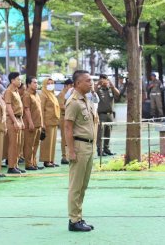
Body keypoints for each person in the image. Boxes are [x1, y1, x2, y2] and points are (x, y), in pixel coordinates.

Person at [64, 70, 98, 232]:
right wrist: (70, 151)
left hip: (89, 147)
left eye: (91, 80)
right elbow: (68, 128)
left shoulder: (87, 100)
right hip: (78, 146)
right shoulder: (74, 102)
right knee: (76, 185)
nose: (90, 83)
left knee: (83, 185)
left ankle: (78, 217)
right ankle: (73, 220)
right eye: (87, 81)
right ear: (77, 84)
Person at [4, 72, 25, 174]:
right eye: (18, 79)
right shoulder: (9, 91)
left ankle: (15, 164)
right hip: (12, 120)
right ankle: (11, 166)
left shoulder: (16, 91)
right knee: (13, 144)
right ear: (12, 80)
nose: (20, 81)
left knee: (18, 144)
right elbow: (9, 108)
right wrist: (15, 121)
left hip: (18, 119)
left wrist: (20, 120)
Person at [22, 77, 44, 171]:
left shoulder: (37, 95)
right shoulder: (27, 95)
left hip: (38, 123)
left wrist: (42, 123)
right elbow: (26, 109)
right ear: (28, 84)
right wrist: (30, 122)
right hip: (31, 124)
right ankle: (28, 164)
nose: (36, 84)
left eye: (37, 83)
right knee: (29, 144)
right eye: (34, 83)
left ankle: (34, 162)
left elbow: (39, 110)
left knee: (35, 144)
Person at [95, 74, 119, 156]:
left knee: (108, 132)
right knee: (100, 133)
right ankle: (99, 149)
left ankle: (106, 148)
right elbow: (92, 93)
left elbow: (118, 94)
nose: (104, 81)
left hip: (110, 114)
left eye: (105, 79)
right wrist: (98, 84)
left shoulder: (110, 89)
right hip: (102, 114)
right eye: (102, 79)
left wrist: (112, 85)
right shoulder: (98, 89)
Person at [39, 78, 60, 168]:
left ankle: (51, 159)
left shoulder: (52, 94)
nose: (51, 85)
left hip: (54, 121)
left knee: (53, 142)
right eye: (48, 83)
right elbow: (41, 109)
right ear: (44, 84)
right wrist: (42, 123)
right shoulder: (43, 94)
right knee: (47, 142)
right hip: (47, 121)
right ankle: (46, 160)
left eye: (52, 83)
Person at [58, 79, 74, 164]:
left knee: (70, 137)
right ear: (66, 86)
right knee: (64, 137)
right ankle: (64, 156)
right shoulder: (62, 94)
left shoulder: (71, 94)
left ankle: (69, 155)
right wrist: (72, 108)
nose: (72, 87)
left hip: (70, 117)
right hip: (64, 117)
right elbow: (61, 106)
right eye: (70, 86)